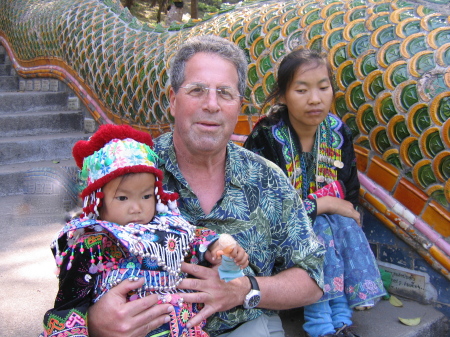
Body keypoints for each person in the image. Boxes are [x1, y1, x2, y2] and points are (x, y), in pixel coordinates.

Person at [87, 35, 326, 337]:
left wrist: (245, 289)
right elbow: (79, 262)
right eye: (197, 90)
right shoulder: (126, 171)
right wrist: (94, 320)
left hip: (245, 327)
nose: (211, 105)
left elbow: (313, 278)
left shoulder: (267, 179)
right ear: (173, 101)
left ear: (239, 106)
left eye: (225, 93)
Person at [41, 124, 249, 337]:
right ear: (98, 201)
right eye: (123, 197)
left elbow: (196, 238)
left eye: (146, 196)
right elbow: (69, 302)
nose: (137, 207)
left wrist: (219, 245)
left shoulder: (169, 227)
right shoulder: (87, 244)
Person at [244, 48, 386, 337]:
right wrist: (323, 204)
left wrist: (336, 208)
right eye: (302, 89)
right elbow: (259, 205)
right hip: (276, 240)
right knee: (320, 225)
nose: (315, 99)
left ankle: (341, 316)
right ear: (283, 95)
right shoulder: (266, 137)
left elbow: (350, 191)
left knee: (334, 224)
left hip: (330, 233)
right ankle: (320, 323)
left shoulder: (337, 132)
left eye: (323, 87)